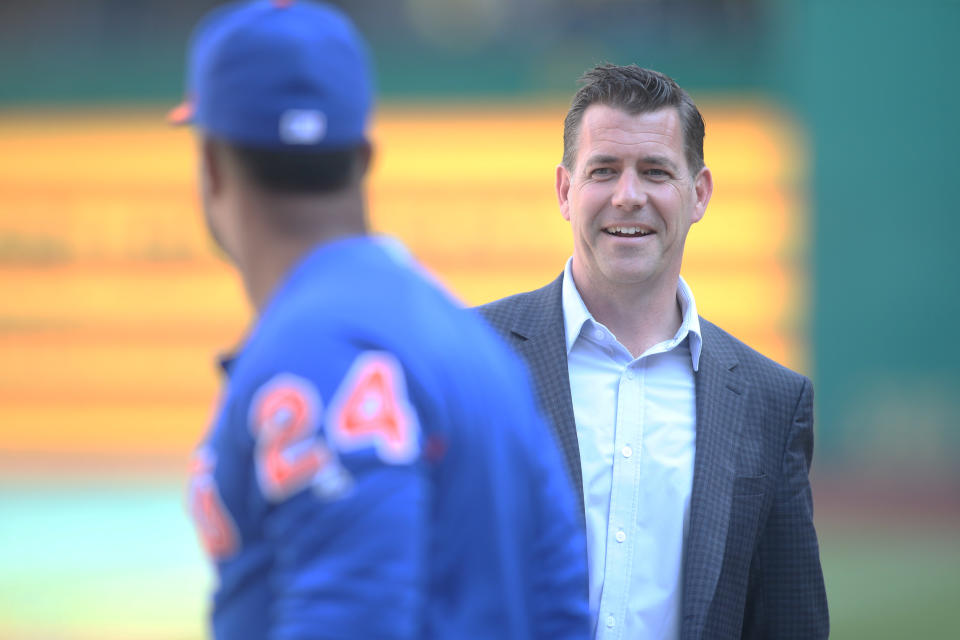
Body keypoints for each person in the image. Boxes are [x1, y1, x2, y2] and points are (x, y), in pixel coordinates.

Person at [174, 2, 589, 638]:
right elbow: (560, 604)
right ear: (364, 158)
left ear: (210, 168)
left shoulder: (307, 349)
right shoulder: (475, 345)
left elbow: (351, 617)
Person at [477, 64, 829, 639]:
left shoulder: (771, 402)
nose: (628, 196)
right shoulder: (471, 357)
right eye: (604, 170)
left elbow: (790, 623)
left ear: (699, 194)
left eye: (656, 172)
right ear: (566, 191)